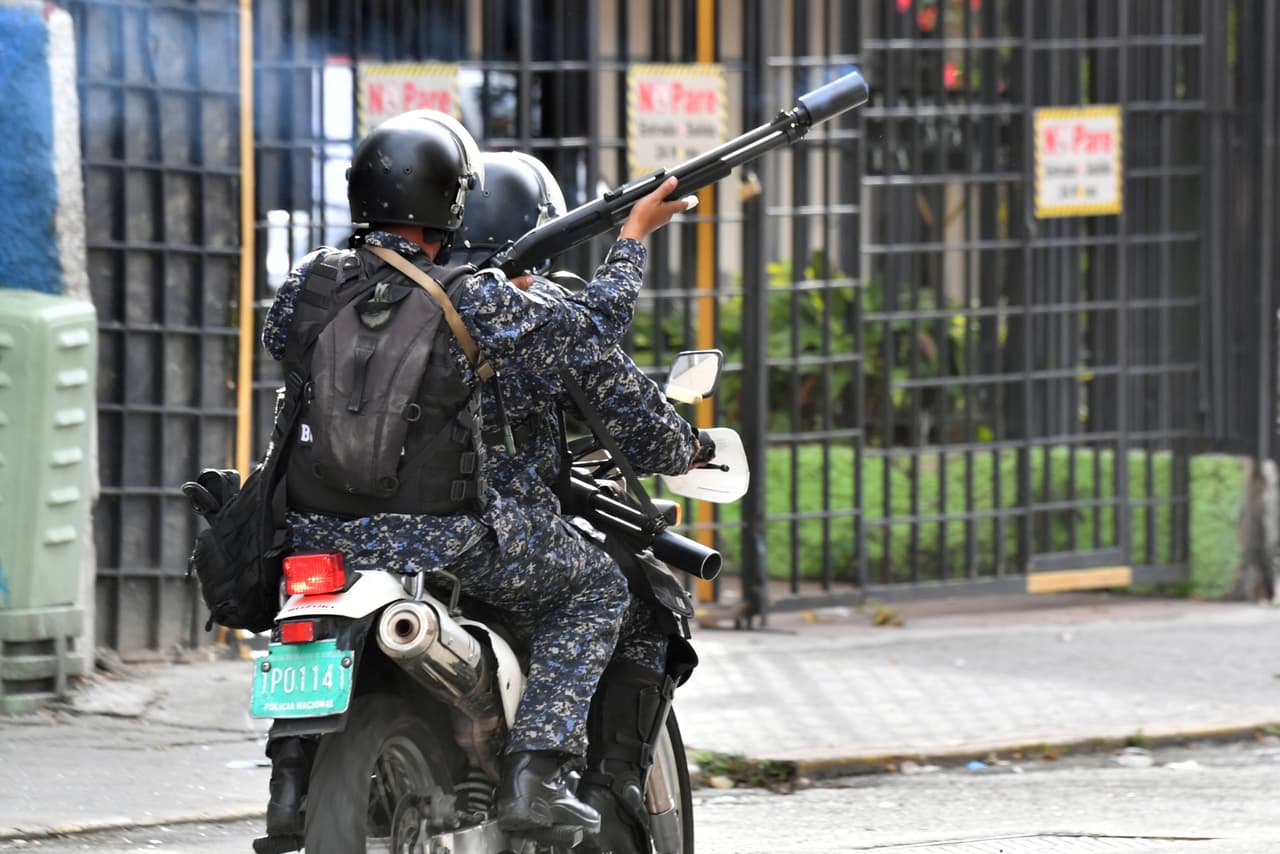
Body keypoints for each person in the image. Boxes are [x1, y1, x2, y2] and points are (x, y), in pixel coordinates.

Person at [257, 110, 691, 842]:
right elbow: (591, 333)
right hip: (442, 538)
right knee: (595, 588)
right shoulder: (471, 296)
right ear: (450, 200)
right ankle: (536, 777)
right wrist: (633, 239)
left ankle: (288, 786)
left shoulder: (311, 282)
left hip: (312, 534)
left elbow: (283, 342)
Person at [455, 150, 713, 854]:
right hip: (494, 540)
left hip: (360, 535)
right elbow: (642, 427)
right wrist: (692, 449)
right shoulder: (533, 310)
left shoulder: (387, 297)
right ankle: (594, 792)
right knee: (622, 598)